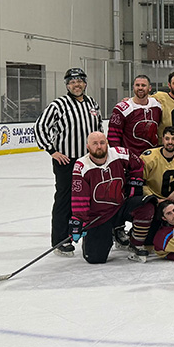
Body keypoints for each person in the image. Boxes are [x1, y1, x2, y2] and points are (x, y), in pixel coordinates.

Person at [35, 67, 103, 255]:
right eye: (72, 82)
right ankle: (59, 240)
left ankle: (88, 234)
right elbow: (40, 127)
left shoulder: (92, 103)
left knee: (90, 198)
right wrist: (52, 151)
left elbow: (98, 129)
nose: (76, 84)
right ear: (67, 85)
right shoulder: (59, 105)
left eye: (79, 81)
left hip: (89, 160)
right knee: (65, 200)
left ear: (85, 83)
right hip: (66, 160)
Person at [70, 131, 156, 264]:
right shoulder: (81, 166)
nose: (99, 146)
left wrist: (134, 184)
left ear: (107, 143)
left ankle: (135, 243)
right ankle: (110, 232)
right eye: (95, 143)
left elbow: (138, 164)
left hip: (121, 206)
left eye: (102, 143)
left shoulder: (119, 153)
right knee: (95, 258)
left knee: (146, 206)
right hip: (100, 215)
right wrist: (79, 221)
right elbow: (80, 197)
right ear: (88, 147)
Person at [107, 74, 162, 156]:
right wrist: (119, 157)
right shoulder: (122, 109)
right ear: (133, 87)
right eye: (137, 85)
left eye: (143, 85)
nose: (140, 88)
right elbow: (113, 136)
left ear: (149, 88)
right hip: (131, 159)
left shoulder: (157, 105)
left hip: (152, 158)